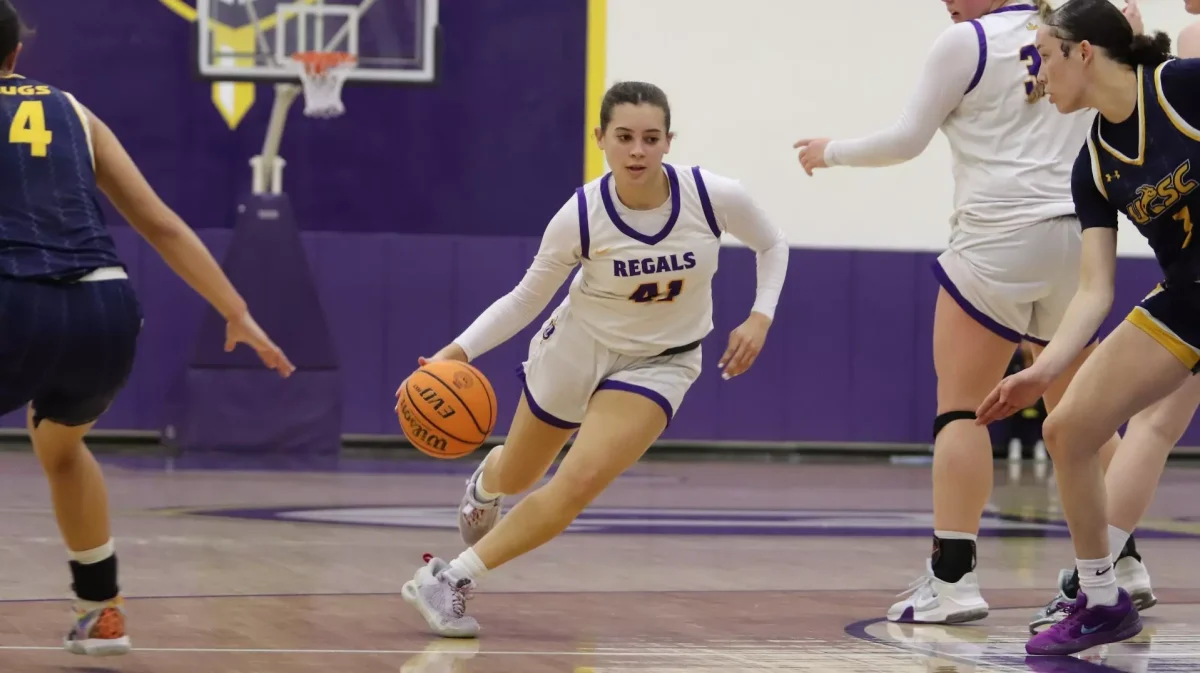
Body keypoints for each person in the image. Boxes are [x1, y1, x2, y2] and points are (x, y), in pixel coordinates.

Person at [398, 81, 789, 637]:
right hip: (577, 347)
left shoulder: (713, 197)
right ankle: (488, 481)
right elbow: (525, 299)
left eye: (651, 138)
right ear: (601, 138)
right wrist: (451, 354)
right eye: (625, 137)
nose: (637, 150)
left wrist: (760, 315)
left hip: (661, 361)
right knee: (521, 472)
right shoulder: (580, 215)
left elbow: (772, 244)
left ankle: (447, 580)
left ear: (668, 142)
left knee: (578, 481)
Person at [793, 0, 1134, 625]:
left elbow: (906, 139)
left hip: (998, 237)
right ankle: (1123, 563)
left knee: (961, 409)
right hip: (1079, 235)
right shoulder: (1072, 33)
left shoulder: (967, 43)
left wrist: (830, 151)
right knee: (1079, 415)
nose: (945, 2)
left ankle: (952, 580)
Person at [0, 1, 295, 657]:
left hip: (15, 301)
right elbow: (159, 222)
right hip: (104, 310)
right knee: (61, 447)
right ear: (17, 54)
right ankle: (101, 610)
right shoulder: (74, 111)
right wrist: (235, 308)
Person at [975, 0, 1200, 655]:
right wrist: (1043, 369)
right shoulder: (1095, 163)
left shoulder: (1180, 85)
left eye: (1044, 55)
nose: (1037, 75)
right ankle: (1103, 598)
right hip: (1188, 297)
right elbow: (1095, 289)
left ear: (1083, 52)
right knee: (1067, 427)